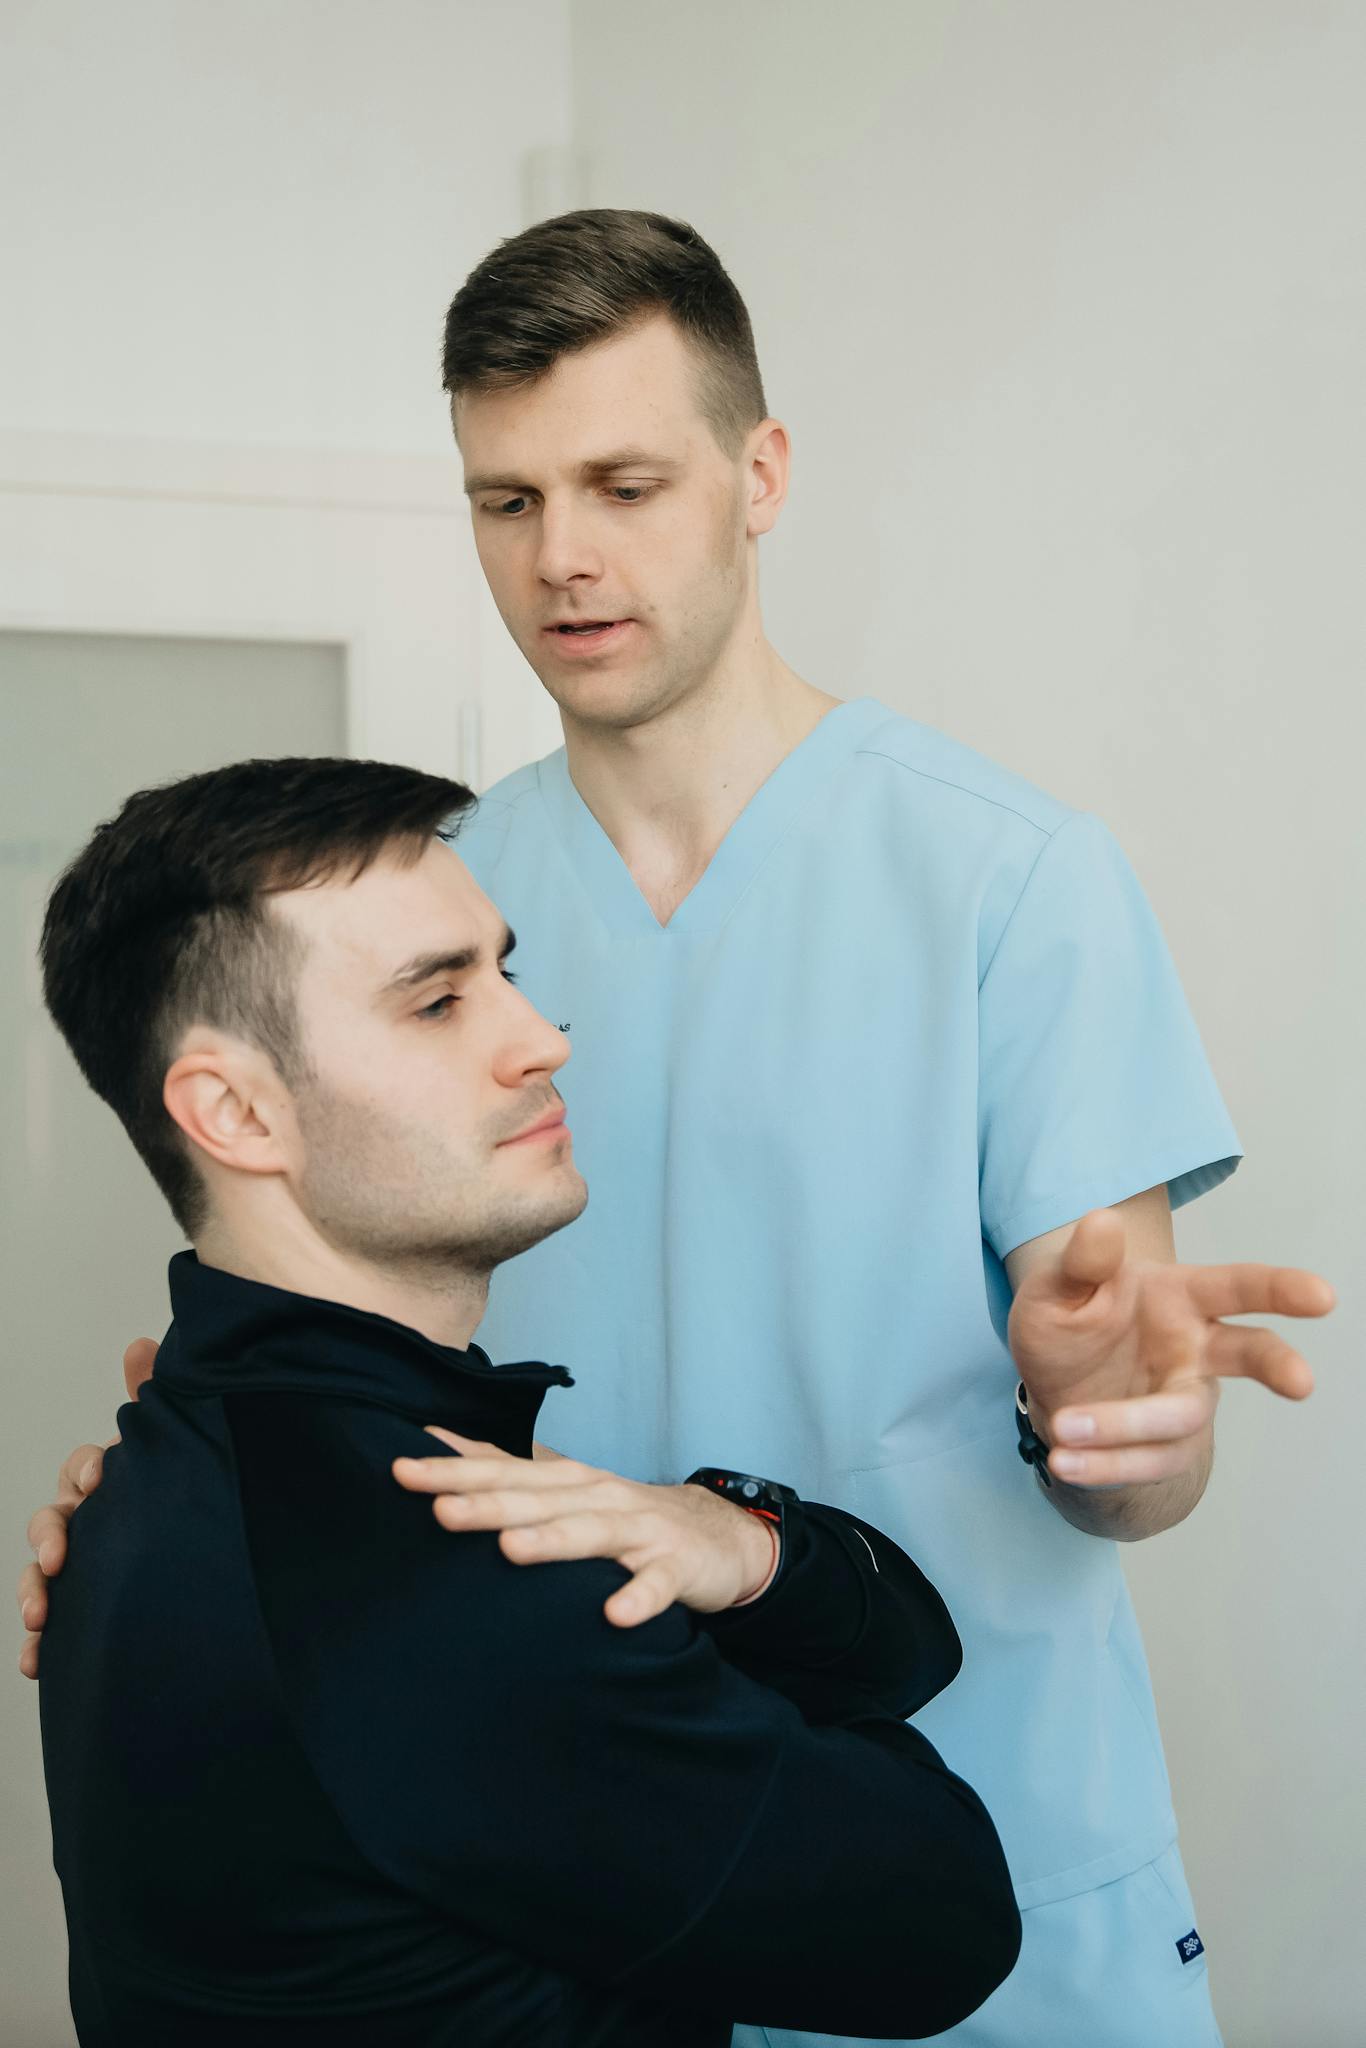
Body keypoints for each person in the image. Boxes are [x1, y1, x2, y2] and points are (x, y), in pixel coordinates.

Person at [19, 212, 1334, 2047]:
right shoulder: (430, 904)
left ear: (758, 474)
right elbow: (303, 1300)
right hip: (577, 1893)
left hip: (977, 1853)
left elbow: (1131, 1470)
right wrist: (184, 1502)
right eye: (505, 501)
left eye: (624, 483)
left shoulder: (1007, 882)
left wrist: (1107, 1419)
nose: (563, 558)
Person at [33, 754, 1019, 2046]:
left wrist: (739, 1548)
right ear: (232, 1111)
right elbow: (937, 1925)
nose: (541, 1039)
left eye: (504, 970)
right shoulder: (435, 1564)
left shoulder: (170, 1466)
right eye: (438, 1001)